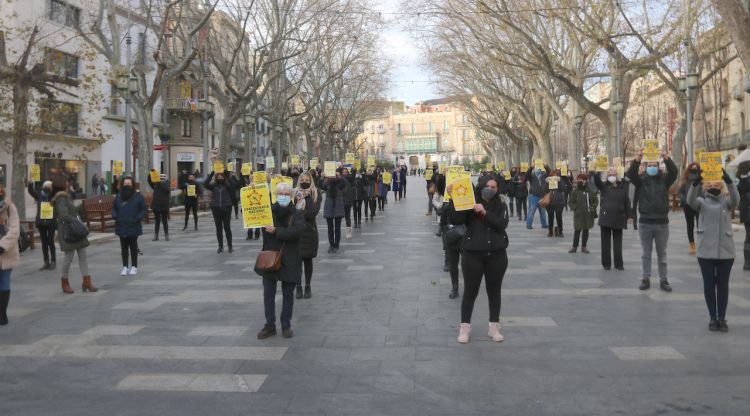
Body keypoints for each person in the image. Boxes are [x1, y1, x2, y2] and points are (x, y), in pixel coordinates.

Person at [449, 176, 509, 344]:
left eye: (494, 186)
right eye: (487, 186)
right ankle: (465, 327)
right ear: (481, 186)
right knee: (470, 292)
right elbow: (456, 219)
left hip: (496, 255)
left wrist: (484, 212)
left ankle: (494, 326)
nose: (490, 189)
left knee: (494, 292)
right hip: (472, 254)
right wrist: (455, 199)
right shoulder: (470, 200)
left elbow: (501, 224)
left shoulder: (501, 204)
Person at [688, 169, 738, 332]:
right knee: (709, 284)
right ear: (706, 186)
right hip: (705, 251)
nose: (714, 184)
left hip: (726, 250)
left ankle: (722, 318)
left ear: (721, 185)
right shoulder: (701, 202)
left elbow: (736, 200)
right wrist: (696, 182)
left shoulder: (727, 201)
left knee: (723, 284)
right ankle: (712, 317)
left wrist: (729, 180)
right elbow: (690, 200)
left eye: (717, 182)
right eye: (711, 182)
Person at [255, 182, 305, 339]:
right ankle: (269, 325)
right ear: (275, 195)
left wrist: (276, 231)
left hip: (290, 258)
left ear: (290, 196)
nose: (283, 196)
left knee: (288, 294)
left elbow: (296, 233)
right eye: (280, 193)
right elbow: (252, 216)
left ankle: (286, 325)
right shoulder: (267, 211)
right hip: (270, 257)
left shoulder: (297, 213)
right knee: (268, 293)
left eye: (286, 193)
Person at [626, 149, 678, 291]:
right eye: (649, 165)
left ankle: (664, 279)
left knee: (662, 254)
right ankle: (646, 278)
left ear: (659, 166)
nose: (652, 167)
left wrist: (666, 158)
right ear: (645, 166)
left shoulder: (665, 180)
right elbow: (630, 174)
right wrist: (637, 159)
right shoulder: (641, 181)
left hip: (662, 223)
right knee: (646, 254)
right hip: (645, 222)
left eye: (654, 165)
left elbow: (674, 172)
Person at [52, 176, 97, 294]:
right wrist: (77, 221)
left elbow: (71, 212)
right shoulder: (61, 198)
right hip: (69, 231)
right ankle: (64, 282)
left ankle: (87, 281)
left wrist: (80, 208)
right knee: (68, 258)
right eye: (67, 182)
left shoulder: (66, 196)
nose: (68, 184)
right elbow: (63, 215)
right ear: (62, 184)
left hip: (75, 231)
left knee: (83, 256)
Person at [594, 168, 631, 270]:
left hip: (619, 217)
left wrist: (629, 215)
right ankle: (606, 264)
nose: (612, 176)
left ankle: (619, 264)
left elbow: (627, 202)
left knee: (617, 244)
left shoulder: (622, 187)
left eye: (614, 174)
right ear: (607, 176)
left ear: (617, 176)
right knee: (605, 243)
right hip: (606, 218)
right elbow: (597, 181)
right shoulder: (604, 186)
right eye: (610, 174)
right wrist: (597, 171)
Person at [112, 176, 147, 276]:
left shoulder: (138, 196)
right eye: (125, 183)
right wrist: (115, 216)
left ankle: (134, 267)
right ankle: (125, 267)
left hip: (133, 224)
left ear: (132, 184)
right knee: (123, 248)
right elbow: (114, 208)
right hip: (121, 224)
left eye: (129, 183)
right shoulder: (118, 196)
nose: (127, 185)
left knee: (133, 247)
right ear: (123, 184)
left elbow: (143, 209)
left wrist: (138, 218)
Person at [294, 172, 321, 299]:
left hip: (309, 231)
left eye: (307, 180)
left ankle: (308, 286)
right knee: (297, 261)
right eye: (302, 180)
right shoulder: (294, 194)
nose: (304, 182)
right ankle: (298, 286)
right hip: (296, 232)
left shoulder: (315, 194)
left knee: (308, 260)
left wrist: (299, 211)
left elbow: (312, 213)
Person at [0, 184, 20, 325]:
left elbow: (15, 230)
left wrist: (2, 246)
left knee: (4, 281)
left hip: (5, 252)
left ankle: (2, 314)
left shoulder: (9, 207)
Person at [204, 170, 236, 253]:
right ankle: (220, 246)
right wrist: (210, 175)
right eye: (218, 176)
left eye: (221, 176)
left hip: (226, 208)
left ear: (223, 177)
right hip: (216, 208)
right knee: (218, 228)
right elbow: (205, 185)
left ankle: (230, 246)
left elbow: (233, 185)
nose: (220, 177)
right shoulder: (214, 186)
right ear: (216, 178)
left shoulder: (227, 185)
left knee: (227, 228)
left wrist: (228, 176)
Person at [27, 180, 57, 270]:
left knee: (50, 241)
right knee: (44, 242)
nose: (48, 188)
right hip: (41, 222)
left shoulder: (54, 196)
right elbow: (31, 191)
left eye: (49, 187)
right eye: (46, 187)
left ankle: (53, 261)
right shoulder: (39, 195)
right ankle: (46, 262)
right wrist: (30, 182)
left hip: (51, 222)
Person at [568, 174, 598, 253]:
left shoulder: (590, 191)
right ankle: (574, 246)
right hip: (578, 214)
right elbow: (570, 202)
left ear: (585, 181)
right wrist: (575, 208)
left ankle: (584, 246)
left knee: (586, 230)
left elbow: (595, 200)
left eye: (582, 179)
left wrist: (592, 207)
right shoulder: (575, 191)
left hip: (587, 214)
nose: (580, 181)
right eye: (579, 179)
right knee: (577, 230)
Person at [320, 170, 346, 252]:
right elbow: (319, 185)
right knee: (330, 228)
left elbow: (345, 183)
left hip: (338, 206)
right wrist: (321, 177)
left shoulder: (339, 183)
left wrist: (340, 177)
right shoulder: (326, 184)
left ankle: (336, 245)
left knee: (337, 228)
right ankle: (331, 245)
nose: (332, 177)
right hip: (329, 207)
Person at [679, 163, 702, 255]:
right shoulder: (685, 179)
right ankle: (692, 243)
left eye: (696, 167)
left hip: (699, 204)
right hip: (687, 205)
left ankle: (701, 242)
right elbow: (681, 191)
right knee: (690, 225)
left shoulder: (702, 179)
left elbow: (704, 190)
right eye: (692, 167)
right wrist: (684, 200)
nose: (694, 168)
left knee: (700, 225)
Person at [444, 199, 463, 299]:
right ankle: (455, 287)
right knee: (454, 265)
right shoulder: (450, 204)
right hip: (457, 237)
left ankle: (455, 288)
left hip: (462, 237)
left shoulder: (471, 201)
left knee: (456, 265)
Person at [147, 172, 171, 241]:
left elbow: (166, 189)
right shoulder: (156, 184)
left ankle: (166, 235)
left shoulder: (166, 184)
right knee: (157, 221)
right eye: (160, 178)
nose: (161, 179)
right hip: (156, 205)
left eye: (162, 178)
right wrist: (151, 173)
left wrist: (159, 182)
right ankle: (156, 235)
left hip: (164, 205)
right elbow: (149, 181)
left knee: (164, 221)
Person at [525, 164, 549, 230]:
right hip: (533, 196)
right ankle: (528, 225)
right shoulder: (532, 175)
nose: (538, 170)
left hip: (542, 196)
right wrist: (531, 167)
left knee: (543, 211)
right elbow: (526, 175)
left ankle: (544, 224)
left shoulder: (544, 175)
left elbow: (549, 172)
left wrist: (546, 166)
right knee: (531, 211)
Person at [543, 170, 566, 237]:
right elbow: (543, 190)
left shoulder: (560, 181)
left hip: (559, 202)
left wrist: (560, 181)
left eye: (556, 175)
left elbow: (563, 189)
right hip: (549, 202)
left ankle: (560, 231)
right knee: (550, 217)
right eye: (552, 175)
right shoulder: (547, 181)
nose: (554, 177)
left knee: (559, 217)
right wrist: (546, 182)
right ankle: (550, 231)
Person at [736, 161, 750, 270]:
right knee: (749, 237)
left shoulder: (742, 180)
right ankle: (747, 262)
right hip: (747, 211)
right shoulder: (743, 181)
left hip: (746, 211)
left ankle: (747, 262)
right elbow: (742, 190)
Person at [342, 168, 355, 239]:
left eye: (345, 172)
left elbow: (352, 175)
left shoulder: (350, 179)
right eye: (343, 172)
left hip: (347, 201)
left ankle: (348, 232)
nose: (344, 174)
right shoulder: (339, 180)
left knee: (347, 217)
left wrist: (353, 168)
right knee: (338, 218)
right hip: (340, 201)